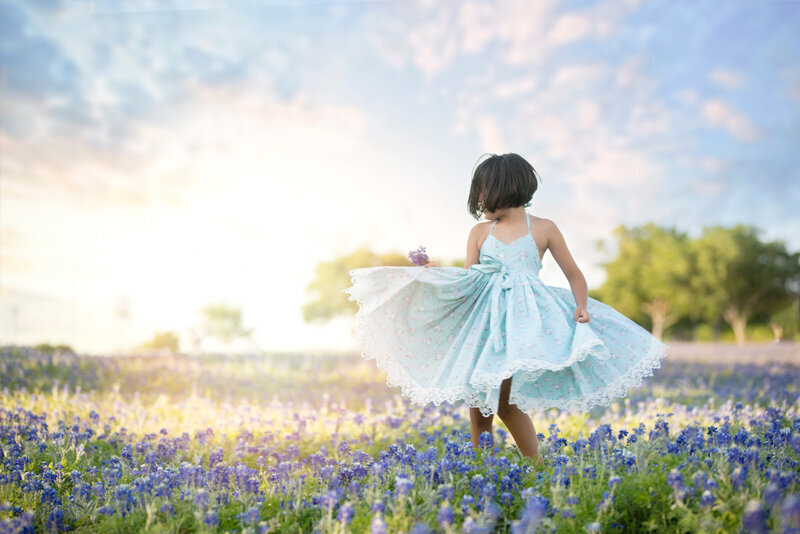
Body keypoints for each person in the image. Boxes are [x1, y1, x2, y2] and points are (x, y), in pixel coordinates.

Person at [343, 153, 669, 466]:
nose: (478, 203)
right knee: (478, 399)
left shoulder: (543, 228)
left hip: (523, 321)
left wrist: (581, 306)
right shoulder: (479, 232)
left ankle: (536, 465)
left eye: (482, 194)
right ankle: (483, 464)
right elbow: (470, 280)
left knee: (504, 399)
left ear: (504, 188)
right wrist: (438, 273)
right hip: (484, 320)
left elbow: (574, 274)